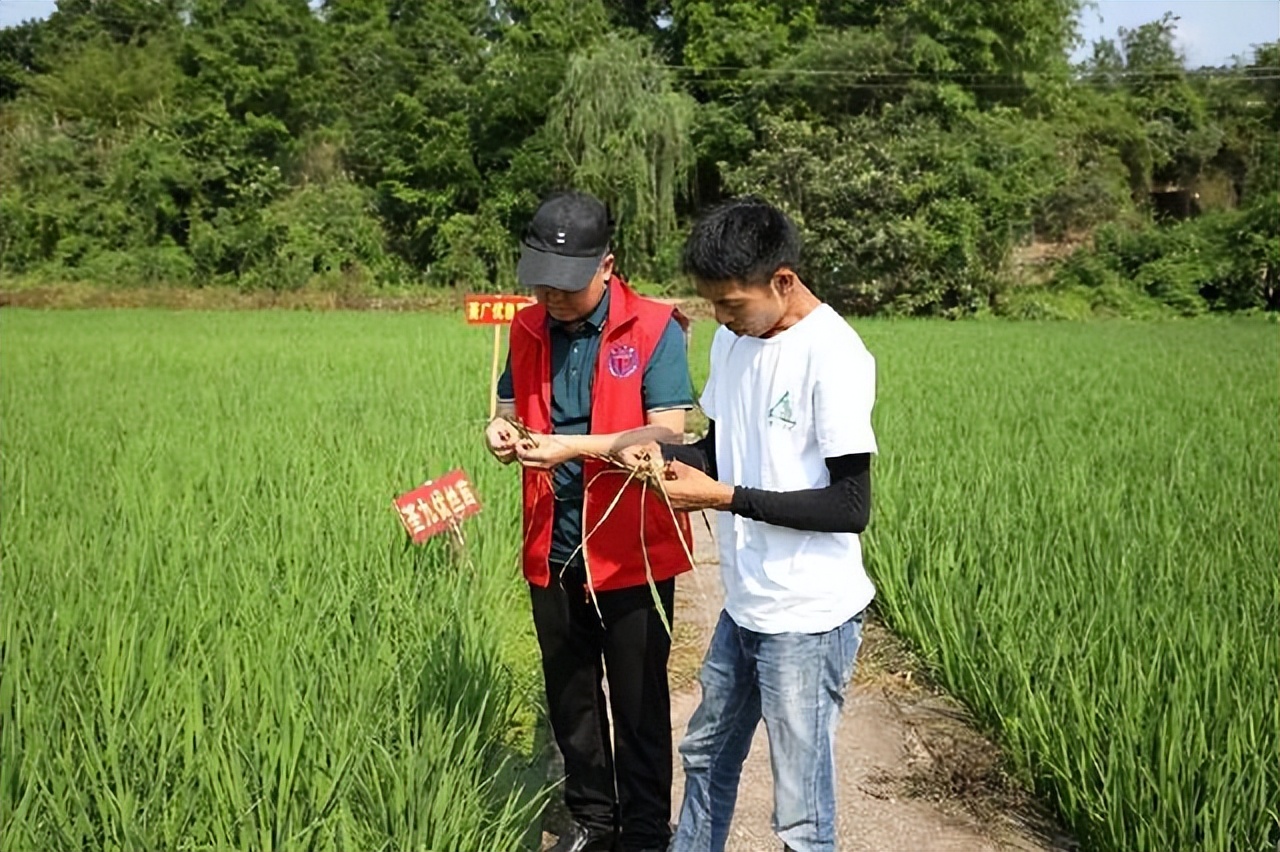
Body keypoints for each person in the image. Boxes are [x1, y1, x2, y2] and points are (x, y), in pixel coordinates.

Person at [620, 197, 877, 852]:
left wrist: (725, 497)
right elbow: (722, 447)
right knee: (705, 754)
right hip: (748, 606)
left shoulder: (836, 355)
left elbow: (851, 507)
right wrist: (667, 457)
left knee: (799, 808)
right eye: (711, 305)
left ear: (783, 281)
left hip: (810, 619)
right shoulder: (735, 342)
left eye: (731, 304)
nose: (719, 318)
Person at [483, 190, 695, 852]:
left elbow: (668, 433)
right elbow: (511, 407)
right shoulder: (524, 328)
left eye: (568, 286)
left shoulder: (655, 327)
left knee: (638, 702)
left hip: (630, 543)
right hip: (553, 538)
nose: (552, 298)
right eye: (542, 283)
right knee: (571, 695)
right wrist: (501, 430)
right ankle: (593, 824)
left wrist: (573, 447)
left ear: (608, 264)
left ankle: (643, 832)